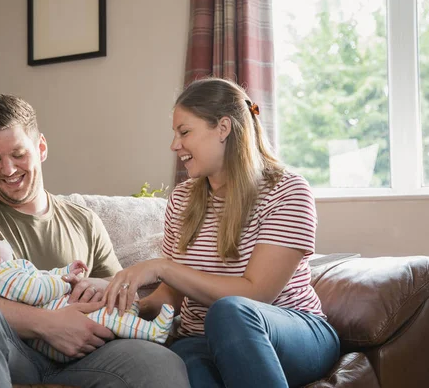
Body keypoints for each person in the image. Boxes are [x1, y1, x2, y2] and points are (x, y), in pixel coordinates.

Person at [0, 94, 190, 388]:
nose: (8, 170)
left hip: (88, 354)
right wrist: (46, 324)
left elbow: (128, 298)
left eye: (18, 154)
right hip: (10, 349)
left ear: (41, 148)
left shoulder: (84, 220)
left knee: (161, 363)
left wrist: (103, 287)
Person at [103, 78, 340, 388]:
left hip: (290, 332)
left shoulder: (287, 191)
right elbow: (172, 295)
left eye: (184, 132)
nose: (175, 145)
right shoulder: (182, 199)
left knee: (229, 313)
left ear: (223, 128)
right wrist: (122, 302)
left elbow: (257, 296)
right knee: (180, 363)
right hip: (200, 340)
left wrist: (162, 267)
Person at [0, 229, 175, 363]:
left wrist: (68, 273)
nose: (3, 240)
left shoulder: (7, 276)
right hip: (52, 339)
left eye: (18, 155)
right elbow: (36, 290)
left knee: (118, 316)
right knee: (111, 319)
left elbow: (41, 277)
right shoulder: (4, 276)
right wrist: (65, 283)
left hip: (70, 329)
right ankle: (153, 332)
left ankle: (136, 320)